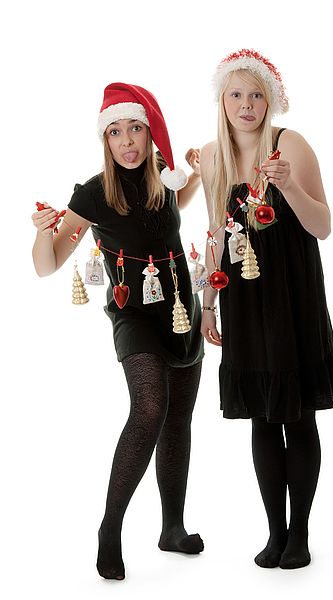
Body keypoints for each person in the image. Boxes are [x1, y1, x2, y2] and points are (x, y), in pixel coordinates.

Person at [32, 82, 204, 580]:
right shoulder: (92, 193)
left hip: (180, 308)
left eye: (136, 129)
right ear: (104, 140)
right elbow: (49, 265)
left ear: (151, 135)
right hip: (133, 315)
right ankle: (111, 527)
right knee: (149, 408)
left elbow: (177, 205)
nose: (127, 141)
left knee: (177, 421)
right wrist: (46, 232)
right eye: (115, 132)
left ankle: (172, 527)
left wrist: (193, 173)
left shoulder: (162, 179)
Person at [200, 50, 333, 570]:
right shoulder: (213, 156)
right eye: (237, 94)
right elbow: (217, 237)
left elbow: (323, 226)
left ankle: (301, 534)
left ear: (271, 100)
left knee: (298, 415)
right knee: (261, 417)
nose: (247, 105)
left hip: (294, 295)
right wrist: (207, 305)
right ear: (222, 98)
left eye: (257, 94)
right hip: (243, 298)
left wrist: (287, 186)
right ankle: (275, 532)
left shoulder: (291, 145)